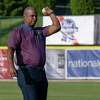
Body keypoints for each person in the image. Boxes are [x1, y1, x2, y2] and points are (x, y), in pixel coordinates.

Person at [7, 6, 61, 100]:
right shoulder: (18, 31)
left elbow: (57, 27)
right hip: (27, 71)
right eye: (32, 16)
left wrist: (51, 13)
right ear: (25, 16)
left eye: (35, 16)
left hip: (40, 73)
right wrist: (11, 66)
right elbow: (11, 49)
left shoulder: (40, 31)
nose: (34, 18)